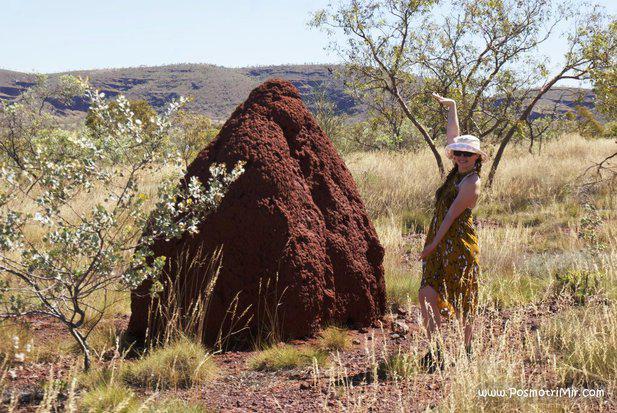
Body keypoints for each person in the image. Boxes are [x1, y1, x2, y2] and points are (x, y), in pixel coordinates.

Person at [417, 93, 487, 372]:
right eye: (458, 153)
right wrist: (452, 108)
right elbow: (453, 137)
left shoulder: (472, 182)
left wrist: (431, 246)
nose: (460, 157)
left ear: (477, 158)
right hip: (439, 238)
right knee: (426, 292)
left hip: (457, 243)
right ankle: (435, 351)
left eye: (467, 154)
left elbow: (449, 217)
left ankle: (467, 351)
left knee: (463, 298)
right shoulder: (457, 172)